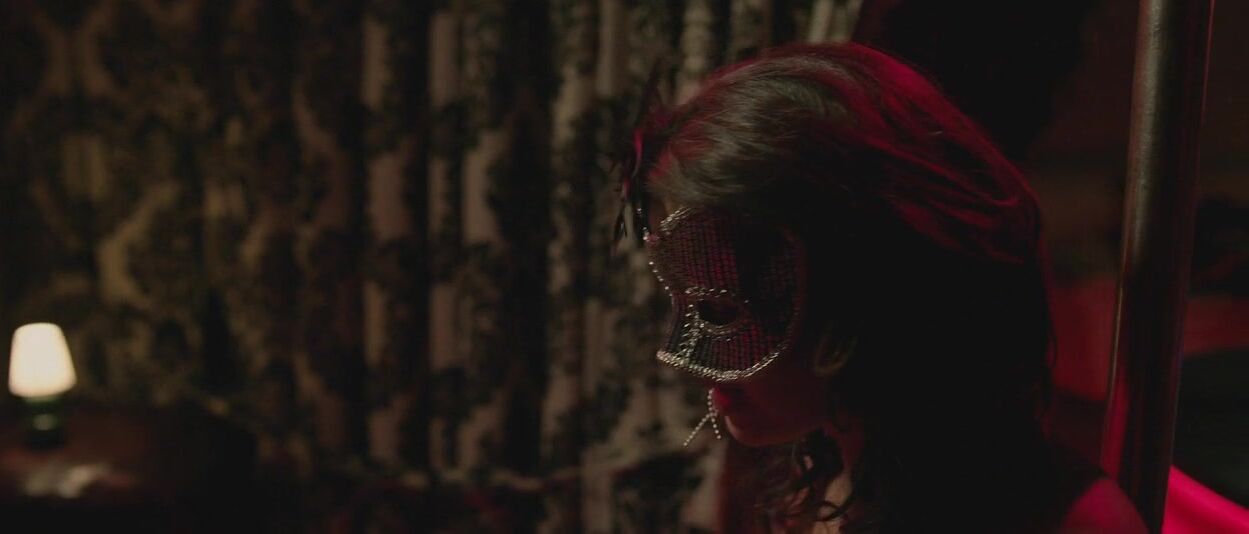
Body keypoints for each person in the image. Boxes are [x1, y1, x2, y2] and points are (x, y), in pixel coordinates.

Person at [616, 43, 1147, 533]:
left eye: (720, 309)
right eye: (682, 301)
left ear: (862, 295)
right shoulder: (808, 478)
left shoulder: (1069, 523)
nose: (686, 361)